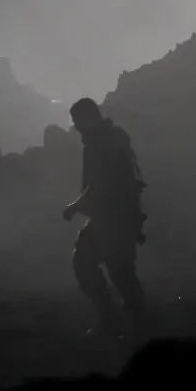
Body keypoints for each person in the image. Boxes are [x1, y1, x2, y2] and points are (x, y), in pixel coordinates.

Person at [62, 97, 147, 336]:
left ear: (88, 118)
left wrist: (75, 206)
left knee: (107, 268)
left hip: (113, 218)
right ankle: (126, 321)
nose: (76, 126)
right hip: (113, 217)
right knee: (114, 269)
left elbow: (100, 183)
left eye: (77, 120)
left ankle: (124, 322)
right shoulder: (108, 139)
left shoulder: (102, 143)